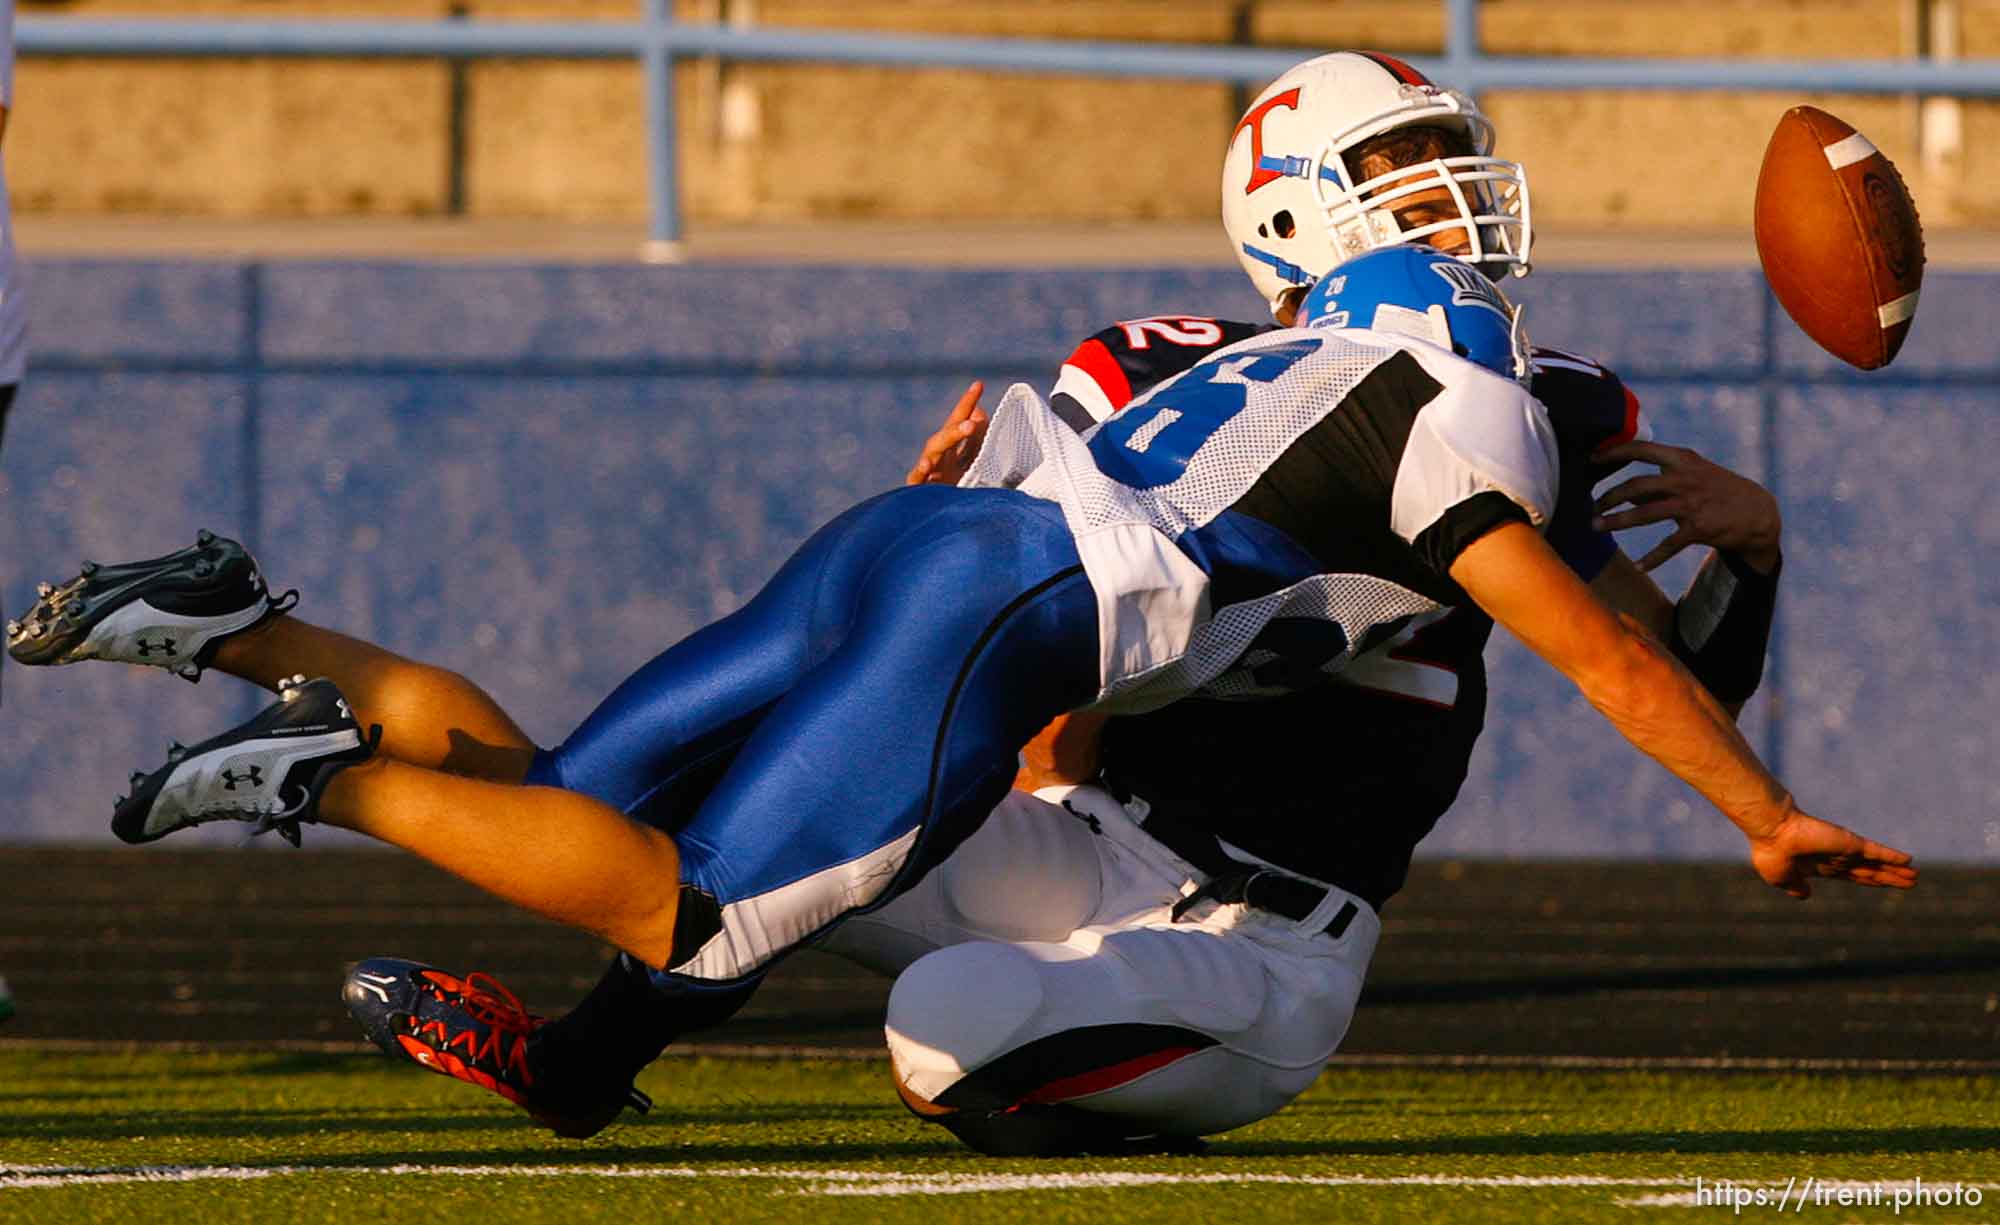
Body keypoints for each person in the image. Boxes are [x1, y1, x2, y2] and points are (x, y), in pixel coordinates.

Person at [8, 245, 1915, 1152]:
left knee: (598, 795)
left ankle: (257, 631)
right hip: (1055, 675)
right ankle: (323, 782)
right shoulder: (1458, 407)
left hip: (1019, 657)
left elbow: (1642, 649)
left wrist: (1746, 556)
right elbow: (1606, 653)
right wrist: (1760, 806)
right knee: (708, 904)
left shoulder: (1225, 375)